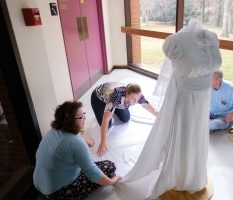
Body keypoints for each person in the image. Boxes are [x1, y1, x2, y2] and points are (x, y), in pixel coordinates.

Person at [115, 19, 222, 199]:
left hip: (203, 97)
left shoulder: (212, 37)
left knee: (197, 135)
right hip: (186, 98)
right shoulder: (175, 42)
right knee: (185, 135)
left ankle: (195, 175)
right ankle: (179, 175)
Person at [33, 101, 122, 200]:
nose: (84, 118)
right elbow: (92, 172)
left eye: (84, 114)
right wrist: (112, 181)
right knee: (109, 166)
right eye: (80, 117)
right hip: (57, 193)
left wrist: (85, 140)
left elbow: (68, 141)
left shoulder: (54, 130)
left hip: (38, 183)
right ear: (69, 121)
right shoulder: (76, 143)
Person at [91, 82, 158, 156]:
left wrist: (160, 116)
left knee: (126, 118)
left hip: (114, 98)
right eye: (134, 99)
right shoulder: (115, 97)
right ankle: (110, 107)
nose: (137, 101)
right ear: (127, 94)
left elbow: (149, 107)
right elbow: (105, 120)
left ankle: (113, 108)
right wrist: (103, 142)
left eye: (138, 98)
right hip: (98, 98)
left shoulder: (137, 97)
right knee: (108, 125)